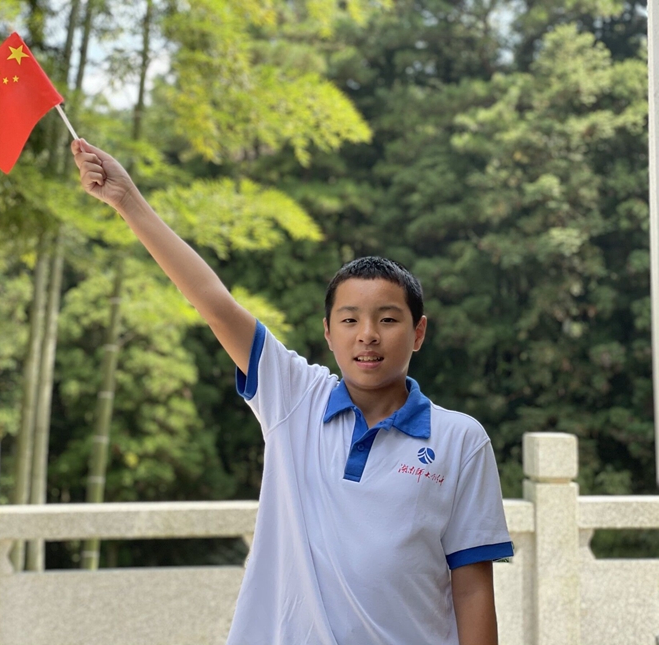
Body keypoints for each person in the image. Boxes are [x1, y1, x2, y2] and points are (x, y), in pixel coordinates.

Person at [71, 138, 513, 645]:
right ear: (328, 332)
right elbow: (214, 303)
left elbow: (472, 590)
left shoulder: (460, 439)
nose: (367, 335)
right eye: (350, 320)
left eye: (388, 320)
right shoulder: (295, 398)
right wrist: (128, 200)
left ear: (418, 332)